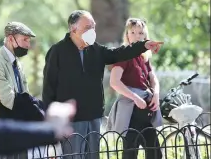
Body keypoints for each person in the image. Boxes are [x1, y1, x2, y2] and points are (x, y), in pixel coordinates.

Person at [42, 10, 163, 159]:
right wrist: (50, 119)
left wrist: (143, 45)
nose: (92, 31)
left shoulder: (95, 49)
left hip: (93, 115)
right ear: (73, 29)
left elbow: (119, 53)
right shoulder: (57, 51)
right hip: (71, 118)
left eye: (93, 27)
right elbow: (49, 87)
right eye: (87, 27)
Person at [107, 18, 162, 159]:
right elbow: (114, 82)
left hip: (146, 110)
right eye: (133, 32)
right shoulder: (123, 55)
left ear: (145, 36)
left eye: (140, 33)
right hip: (131, 112)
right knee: (130, 154)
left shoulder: (144, 57)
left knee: (155, 153)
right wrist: (135, 98)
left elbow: (153, 78)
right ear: (127, 34)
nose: (137, 36)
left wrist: (155, 94)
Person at [0, 21, 44, 123]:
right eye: (25, 40)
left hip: (14, 126)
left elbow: (25, 95)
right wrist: (38, 113)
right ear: (11, 39)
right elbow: (9, 99)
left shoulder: (18, 64)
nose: (28, 45)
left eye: (29, 41)